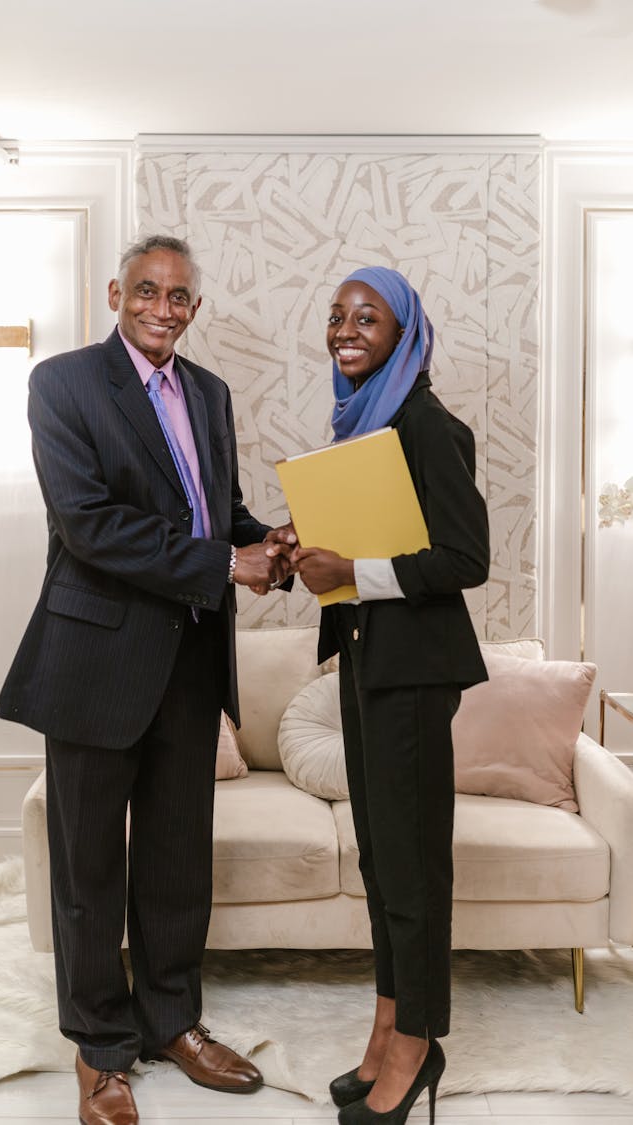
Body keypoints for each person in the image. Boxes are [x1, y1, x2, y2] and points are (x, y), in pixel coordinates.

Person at [0, 235, 293, 1125]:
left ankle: (174, 1021)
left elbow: (215, 511)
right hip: (94, 659)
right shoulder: (64, 383)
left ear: (194, 308)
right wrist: (223, 562)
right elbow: (92, 526)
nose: (164, 308)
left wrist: (269, 544)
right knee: (88, 865)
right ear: (118, 292)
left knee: (175, 861)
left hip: (193, 657)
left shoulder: (210, 393)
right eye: (149, 291)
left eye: (180, 297)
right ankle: (99, 1050)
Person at [285, 267, 489, 1125]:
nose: (347, 329)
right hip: (369, 663)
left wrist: (354, 573)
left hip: (415, 671)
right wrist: (314, 550)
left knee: (412, 863)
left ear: (404, 330)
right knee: (381, 859)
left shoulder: (426, 423)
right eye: (336, 317)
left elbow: (464, 558)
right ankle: (386, 1026)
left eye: (368, 317)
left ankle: (419, 1041)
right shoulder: (363, 423)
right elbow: (378, 539)